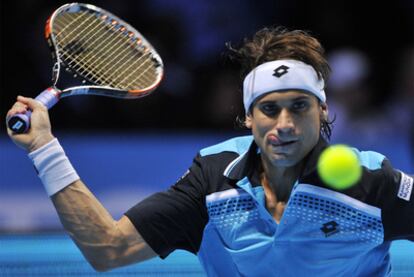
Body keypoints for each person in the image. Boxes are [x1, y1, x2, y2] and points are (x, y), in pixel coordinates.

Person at [6, 27, 414, 276]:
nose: (285, 124)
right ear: (249, 118)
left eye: (300, 106)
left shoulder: (371, 182)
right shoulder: (213, 179)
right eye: (269, 109)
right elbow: (107, 249)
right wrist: (44, 147)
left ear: (323, 109)